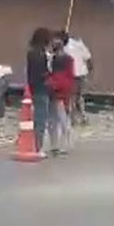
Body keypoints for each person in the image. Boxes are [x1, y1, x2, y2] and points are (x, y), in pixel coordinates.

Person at [25, 27, 53, 157]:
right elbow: (42, 73)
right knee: (41, 119)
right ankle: (38, 147)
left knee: (38, 118)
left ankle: (36, 145)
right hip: (42, 89)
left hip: (34, 88)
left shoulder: (31, 53)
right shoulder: (41, 55)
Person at [47, 37, 75, 155]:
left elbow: (50, 73)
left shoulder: (52, 60)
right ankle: (64, 144)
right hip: (64, 90)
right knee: (63, 117)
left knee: (54, 118)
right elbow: (71, 75)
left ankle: (56, 145)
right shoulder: (69, 59)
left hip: (55, 90)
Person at [61, 30, 92, 125]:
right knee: (77, 98)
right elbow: (88, 58)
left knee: (75, 98)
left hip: (77, 75)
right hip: (79, 74)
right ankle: (79, 118)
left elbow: (88, 58)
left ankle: (76, 118)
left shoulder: (75, 45)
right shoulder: (73, 45)